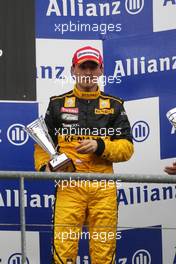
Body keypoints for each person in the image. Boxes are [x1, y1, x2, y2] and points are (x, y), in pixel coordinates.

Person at [34, 46, 134, 263]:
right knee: (63, 250)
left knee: (103, 251)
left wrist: (100, 146)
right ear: (73, 70)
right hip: (69, 186)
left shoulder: (115, 106)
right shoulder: (57, 104)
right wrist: (45, 167)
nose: (88, 72)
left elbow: (127, 148)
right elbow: (43, 144)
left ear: (101, 70)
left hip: (103, 187)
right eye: (83, 67)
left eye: (93, 67)